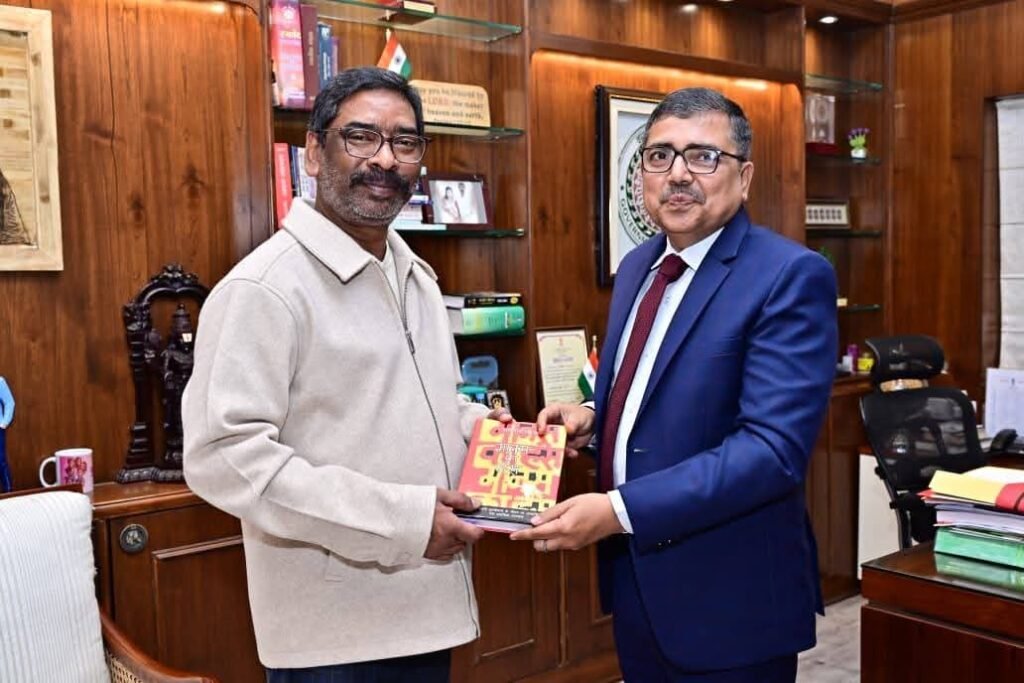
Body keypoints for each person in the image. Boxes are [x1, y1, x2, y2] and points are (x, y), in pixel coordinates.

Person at [182, 66, 508, 682]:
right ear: (313, 151)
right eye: (361, 136)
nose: (384, 159)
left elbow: (419, 403)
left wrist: (493, 432)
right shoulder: (265, 288)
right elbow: (224, 458)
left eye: (404, 142)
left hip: (425, 609)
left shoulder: (415, 276)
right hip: (335, 639)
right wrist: (404, 522)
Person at [511, 87, 838, 682]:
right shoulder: (641, 265)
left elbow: (771, 452)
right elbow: (658, 389)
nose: (678, 174)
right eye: (659, 156)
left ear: (744, 177)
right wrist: (594, 418)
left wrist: (618, 510)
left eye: (703, 156)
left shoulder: (788, 275)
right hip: (639, 585)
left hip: (730, 601)